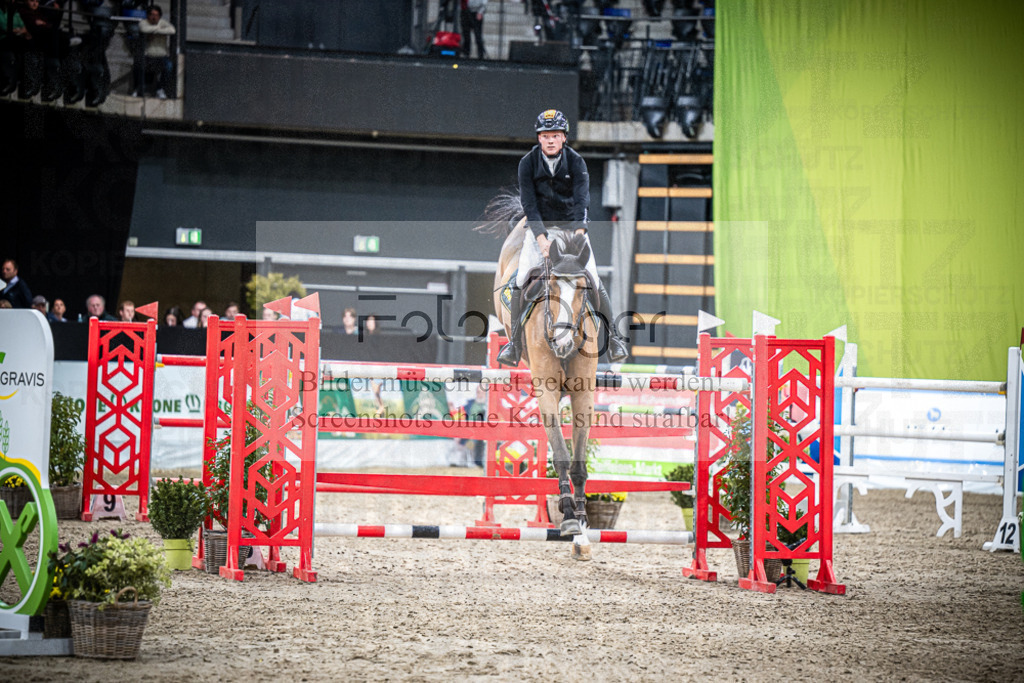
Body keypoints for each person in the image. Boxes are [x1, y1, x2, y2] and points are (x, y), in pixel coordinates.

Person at [497, 109, 629, 366]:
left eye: (555, 135)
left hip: (572, 229)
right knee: (521, 279)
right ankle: (513, 343)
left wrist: (580, 235)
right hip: (540, 229)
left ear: (564, 138)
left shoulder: (577, 162)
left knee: (593, 278)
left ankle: (613, 339)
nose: (549, 140)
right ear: (539, 138)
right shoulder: (527, 163)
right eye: (545, 135)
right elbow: (529, 204)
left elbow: (582, 201)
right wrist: (541, 238)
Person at [131, 4, 174, 99]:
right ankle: (138, 88)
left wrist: (154, 31)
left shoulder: (163, 22)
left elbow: (172, 30)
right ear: (148, 15)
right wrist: (159, 30)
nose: (154, 17)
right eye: (152, 14)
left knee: (169, 67)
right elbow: (144, 29)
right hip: (148, 55)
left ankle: (160, 89)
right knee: (138, 65)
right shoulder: (144, 22)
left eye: (156, 15)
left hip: (161, 55)